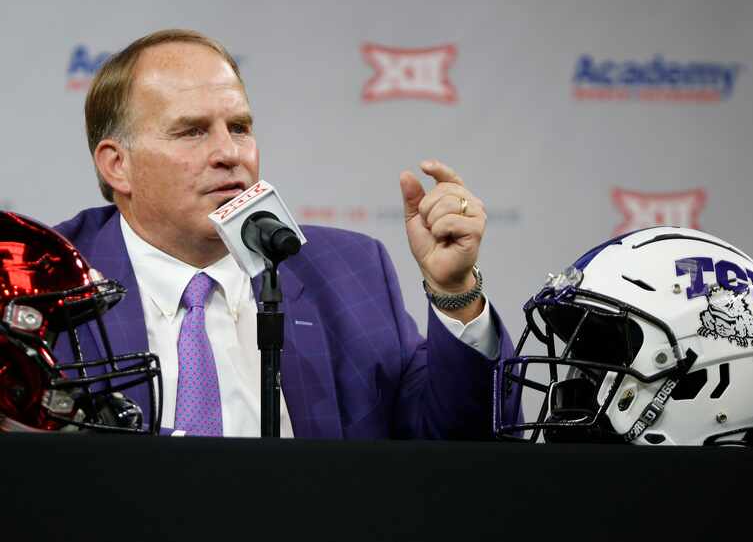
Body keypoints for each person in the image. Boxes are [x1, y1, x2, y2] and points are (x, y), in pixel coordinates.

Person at [54, 29, 521, 438]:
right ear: (118, 165)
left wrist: (454, 292)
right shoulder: (48, 281)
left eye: (239, 127)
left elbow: (460, 440)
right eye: (192, 132)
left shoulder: (349, 271)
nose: (228, 153)